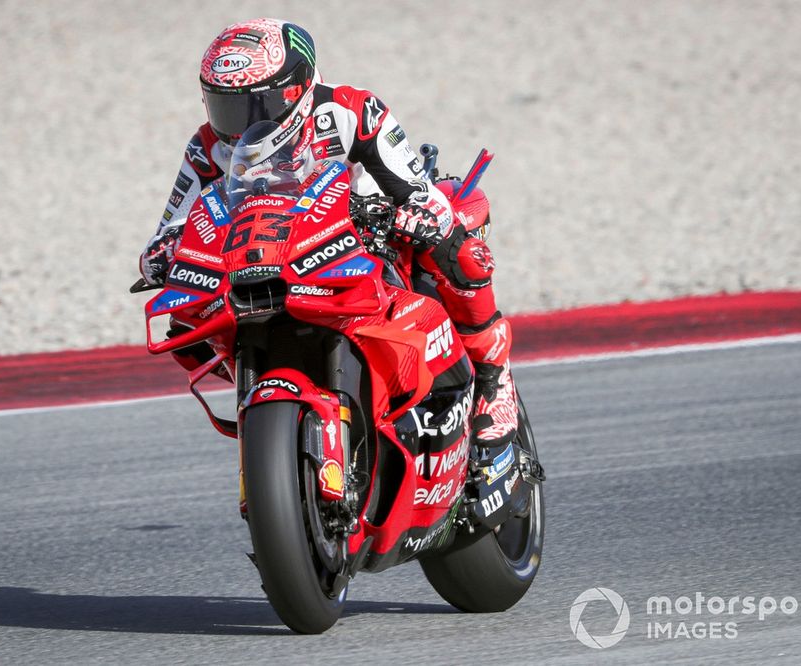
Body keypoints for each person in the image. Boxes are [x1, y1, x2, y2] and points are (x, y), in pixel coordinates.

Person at [139, 18, 518, 451]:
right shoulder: (207, 146)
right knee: (184, 318)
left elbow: (418, 190)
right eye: (225, 106)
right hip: (270, 255)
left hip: (361, 241)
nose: (240, 123)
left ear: (295, 88)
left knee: (456, 242)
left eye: (254, 105)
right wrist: (163, 254)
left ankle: (494, 377)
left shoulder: (350, 110)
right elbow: (168, 230)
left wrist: (413, 212)